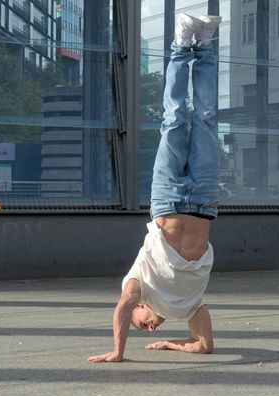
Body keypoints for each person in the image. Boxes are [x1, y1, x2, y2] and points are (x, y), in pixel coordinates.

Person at [88, 13, 222, 363]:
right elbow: (206, 347)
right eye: (148, 331)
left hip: (167, 199)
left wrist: (118, 352)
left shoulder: (139, 284)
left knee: (175, 117)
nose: (149, 328)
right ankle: (205, 44)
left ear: (140, 306)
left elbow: (122, 306)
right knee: (206, 119)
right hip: (205, 201)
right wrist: (172, 344)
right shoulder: (190, 307)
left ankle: (181, 43)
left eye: (140, 324)